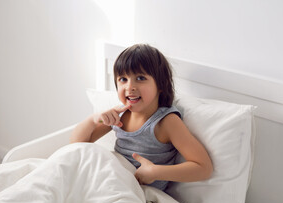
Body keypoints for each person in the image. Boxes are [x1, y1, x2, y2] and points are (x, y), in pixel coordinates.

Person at [70, 44, 213, 191]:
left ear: (160, 84)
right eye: (123, 79)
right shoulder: (119, 114)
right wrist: (94, 119)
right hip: (113, 181)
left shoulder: (165, 122)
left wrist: (155, 172)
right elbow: (76, 145)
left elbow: (203, 167)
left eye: (140, 78)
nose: (130, 87)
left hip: (142, 193)